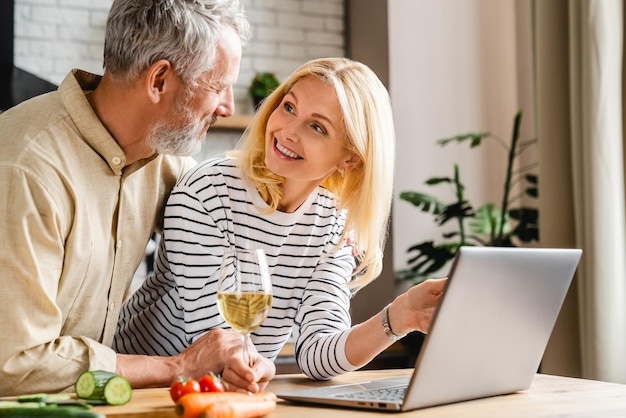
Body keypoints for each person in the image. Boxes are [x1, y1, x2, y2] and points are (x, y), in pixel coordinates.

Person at [0, 0, 275, 396]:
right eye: (217, 87)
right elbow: (14, 364)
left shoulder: (162, 159)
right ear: (159, 80)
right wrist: (179, 366)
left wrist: (327, 221)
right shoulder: (27, 169)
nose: (228, 106)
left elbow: (237, 226)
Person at [114, 57, 447, 381]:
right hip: (136, 387)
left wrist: (400, 316)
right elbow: (218, 343)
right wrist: (260, 365)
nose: (287, 131)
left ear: (351, 158)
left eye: (316, 127)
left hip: (224, 392)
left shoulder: (332, 225)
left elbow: (319, 355)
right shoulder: (208, 192)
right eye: (289, 107)